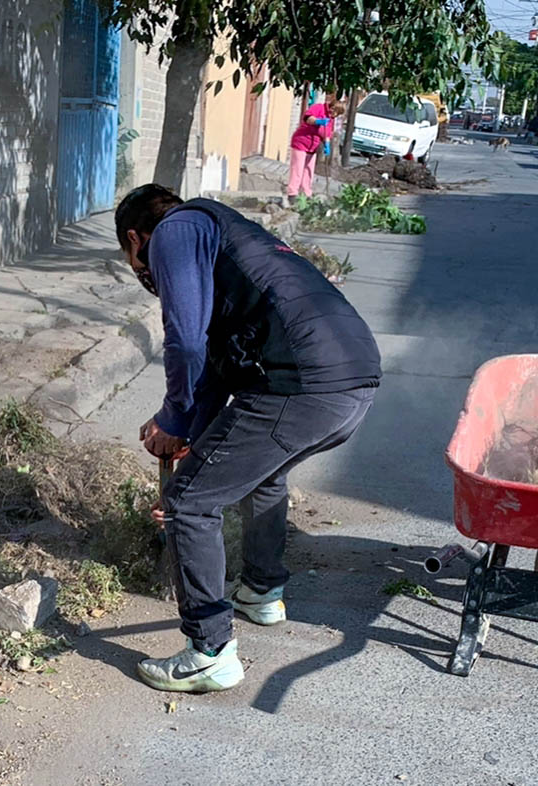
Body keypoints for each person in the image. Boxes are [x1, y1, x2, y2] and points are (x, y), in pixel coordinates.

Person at [114, 184, 381, 693]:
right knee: (264, 473)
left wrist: (174, 420)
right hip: (353, 378)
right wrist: (187, 432)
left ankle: (208, 652)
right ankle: (260, 590)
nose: (146, 274)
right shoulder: (226, 237)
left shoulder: (175, 230)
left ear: (134, 239)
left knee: (190, 502)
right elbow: (218, 368)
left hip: (303, 384)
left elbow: (185, 341)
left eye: (135, 262)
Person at [286, 96, 345, 199]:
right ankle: (292, 193)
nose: (335, 116)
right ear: (333, 108)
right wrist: (318, 121)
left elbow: (326, 133)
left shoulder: (331, 119)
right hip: (301, 142)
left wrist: (327, 144)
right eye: (336, 113)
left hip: (312, 146)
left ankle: (306, 193)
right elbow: (308, 118)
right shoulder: (319, 108)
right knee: (298, 169)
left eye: (337, 115)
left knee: (308, 170)